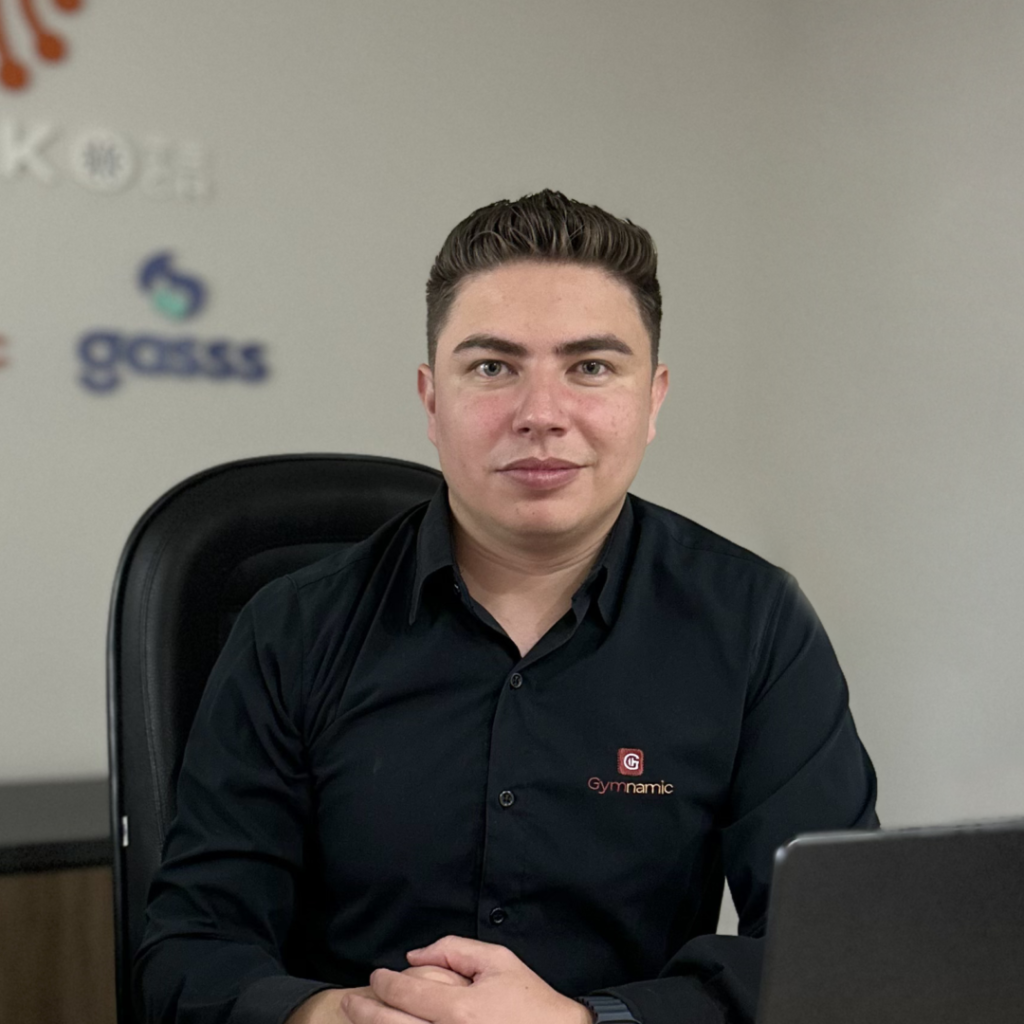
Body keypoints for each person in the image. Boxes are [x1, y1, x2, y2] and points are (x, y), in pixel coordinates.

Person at [137, 191, 878, 1024]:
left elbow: (838, 950)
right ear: (431, 400)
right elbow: (188, 951)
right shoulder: (291, 628)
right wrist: (324, 1016)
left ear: (653, 399)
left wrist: (586, 1022)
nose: (541, 415)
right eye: (493, 367)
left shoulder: (754, 624)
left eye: (590, 367)